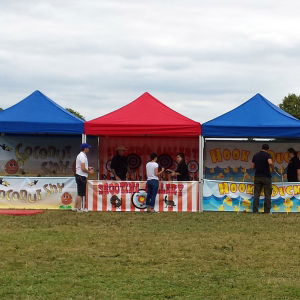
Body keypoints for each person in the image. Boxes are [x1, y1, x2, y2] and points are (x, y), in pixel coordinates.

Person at [252, 144, 274, 214]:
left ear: (262, 148)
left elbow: (252, 166)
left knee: (256, 194)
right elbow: (270, 162)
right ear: (267, 149)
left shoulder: (255, 155)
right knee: (267, 194)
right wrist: (273, 168)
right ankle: (267, 211)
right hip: (266, 177)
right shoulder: (268, 155)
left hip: (257, 176)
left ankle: (255, 211)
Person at [74, 143, 94, 212]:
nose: (89, 149)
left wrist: (88, 167)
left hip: (79, 176)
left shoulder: (81, 155)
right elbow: (82, 168)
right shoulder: (82, 156)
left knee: (79, 192)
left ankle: (75, 207)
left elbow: (81, 167)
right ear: (85, 148)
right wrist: (89, 172)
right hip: (81, 176)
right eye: (88, 148)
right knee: (81, 194)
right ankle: (79, 208)